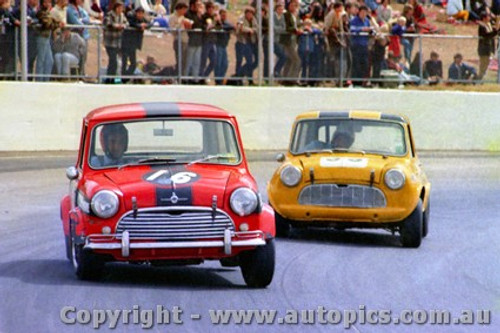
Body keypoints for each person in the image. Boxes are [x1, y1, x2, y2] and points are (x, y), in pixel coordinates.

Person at [36, 0, 64, 81]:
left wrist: (58, 22)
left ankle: (46, 80)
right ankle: (39, 80)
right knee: (41, 60)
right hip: (42, 37)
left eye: (49, 2)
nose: (47, 4)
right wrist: (58, 24)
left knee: (50, 60)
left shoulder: (48, 13)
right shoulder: (41, 12)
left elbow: (52, 21)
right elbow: (47, 24)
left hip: (47, 38)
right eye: (46, 2)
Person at [122, 6, 151, 81]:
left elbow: (150, 24)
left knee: (133, 63)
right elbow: (131, 23)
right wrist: (139, 26)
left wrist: (145, 25)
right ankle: (123, 78)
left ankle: (127, 78)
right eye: (139, 13)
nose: (140, 15)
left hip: (134, 44)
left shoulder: (143, 19)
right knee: (124, 62)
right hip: (126, 42)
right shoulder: (131, 16)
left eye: (142, 13)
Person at [103, 0, 128, 83]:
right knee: (113, 60)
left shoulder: (122, 15)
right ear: (116, 8)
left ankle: (111, 78)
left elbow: (126, 23)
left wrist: (123, 26)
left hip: (118, 42)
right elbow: (107, 23)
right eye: (120, 8)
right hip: (110, 42)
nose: (121, 10)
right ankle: (109, 78)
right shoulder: (109, 15)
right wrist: (116, 26)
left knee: (113, 61)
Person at [66, 0, 91, 75]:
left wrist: (82, 20)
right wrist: (82, 22)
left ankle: (81, 74)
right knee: (76, 56)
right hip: (76, 36)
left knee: (84, 56)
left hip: (84, 36)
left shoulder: (80, 9)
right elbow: (77, 23)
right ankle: (76, 75)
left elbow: (88, 19)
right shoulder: (69, 9)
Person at [350, 5, 373, 86]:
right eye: (362, 12)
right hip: (356, 44)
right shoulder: (354, 20)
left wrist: (371, 31)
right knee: (356, 63)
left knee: (365, 63)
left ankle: (364, 81)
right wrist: (362, 29)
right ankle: (356, 81)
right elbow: (352, 29)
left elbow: (370, 30)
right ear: (359, 12)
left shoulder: (367, 21)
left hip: (364, 45)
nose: (363, 14)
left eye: (365, 12)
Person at [235, 6, 258, 85]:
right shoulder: (241, 18)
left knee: (250, 61)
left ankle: (247, 77)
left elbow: (256, 28)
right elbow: (239, 28)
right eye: (248, 14)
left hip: (250, 43)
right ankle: (237, 79)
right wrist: (249, 30)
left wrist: (252, 30)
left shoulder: (254, 20)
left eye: (251, 14)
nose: (249, 15)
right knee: (239, 61)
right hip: (241, 42)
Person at [184, 0, 204, 83]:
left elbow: (202, 25)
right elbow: (193, 25)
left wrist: (200, 16)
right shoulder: (188, 14)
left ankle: (195, 79)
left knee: (197, 61)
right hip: (190, 41)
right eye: (197, 5)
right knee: (188, 61)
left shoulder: (199, 15)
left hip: (198, 41)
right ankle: (185, 78)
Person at [282, 0, 301, 84]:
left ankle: (286, 78)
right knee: (297, 60)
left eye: (295, 6)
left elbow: (297, 25)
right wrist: (295, 30)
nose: (293, 7)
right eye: (292, 5)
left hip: (294, 40)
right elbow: (286, 27)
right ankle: (292, 79)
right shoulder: (286, 15)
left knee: (290, 60)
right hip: (288, 40)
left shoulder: (295, 16)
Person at [169, 1, 190, 76]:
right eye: (184, 9)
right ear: (179, 9)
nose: (185, 11)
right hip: (178, 41)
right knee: (179, 61)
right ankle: (178, 77)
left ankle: (183, 77)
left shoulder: (183, 17)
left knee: (185, 61)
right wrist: (180, 24)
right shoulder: (172, 17)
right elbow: (173, 30)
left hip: (185, 40)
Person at [0, 0, 20, 79]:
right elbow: (15, 21)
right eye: (7, 2)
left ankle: (7, 76)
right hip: (3, 40)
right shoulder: (4, 12)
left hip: (6, 40)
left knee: (8, 58)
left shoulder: (7, 12)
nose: (9, 4)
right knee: (6, 58)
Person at [214, 8, 234, 85]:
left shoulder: (227, 23)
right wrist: (219, 22)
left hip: (224, 45)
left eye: (225, 15)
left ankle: (221, 78)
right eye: (222, 15)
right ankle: (217, 80)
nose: (224, 16)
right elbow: (219, 28)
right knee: (218, 63)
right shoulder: (217, 23)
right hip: (218, 44)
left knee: (225, 64)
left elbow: (231, 26)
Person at [477, 11, 499, 80]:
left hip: (488, 48)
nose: (489, 18)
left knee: (486, 65)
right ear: (484, 18)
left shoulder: (488, 25)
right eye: (488, 16)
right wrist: (496, 31)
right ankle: (479, 79)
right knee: (483, 66)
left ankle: (481, 79)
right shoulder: (482, 26)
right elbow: (487, 36)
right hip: (483, 48)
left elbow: (494, 30)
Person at [199, 1, 217, 80]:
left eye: (212, 8)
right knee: (203, 60)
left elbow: (219, 27)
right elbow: (202, 27)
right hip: (205, 41)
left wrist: (217, 22)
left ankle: (205, 76)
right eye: (209, 8)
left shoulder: (214, 17)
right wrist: (207, 27)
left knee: (214, 61)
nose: (211, 10)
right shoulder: (203, 17)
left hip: (213, 41)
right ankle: (200, 77)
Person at [273, 2, 286, 78]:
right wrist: (279, 29)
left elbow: (284, 28)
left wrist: (278, 29)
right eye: (279, 9)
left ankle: (277, 71)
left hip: (279, 40)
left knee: (282, 56)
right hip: (272, 40)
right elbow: (273, 28)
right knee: (282, 56)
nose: (281, 11)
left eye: (282, 9)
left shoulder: (283, 17)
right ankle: (275, 71)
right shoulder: (273, 16)